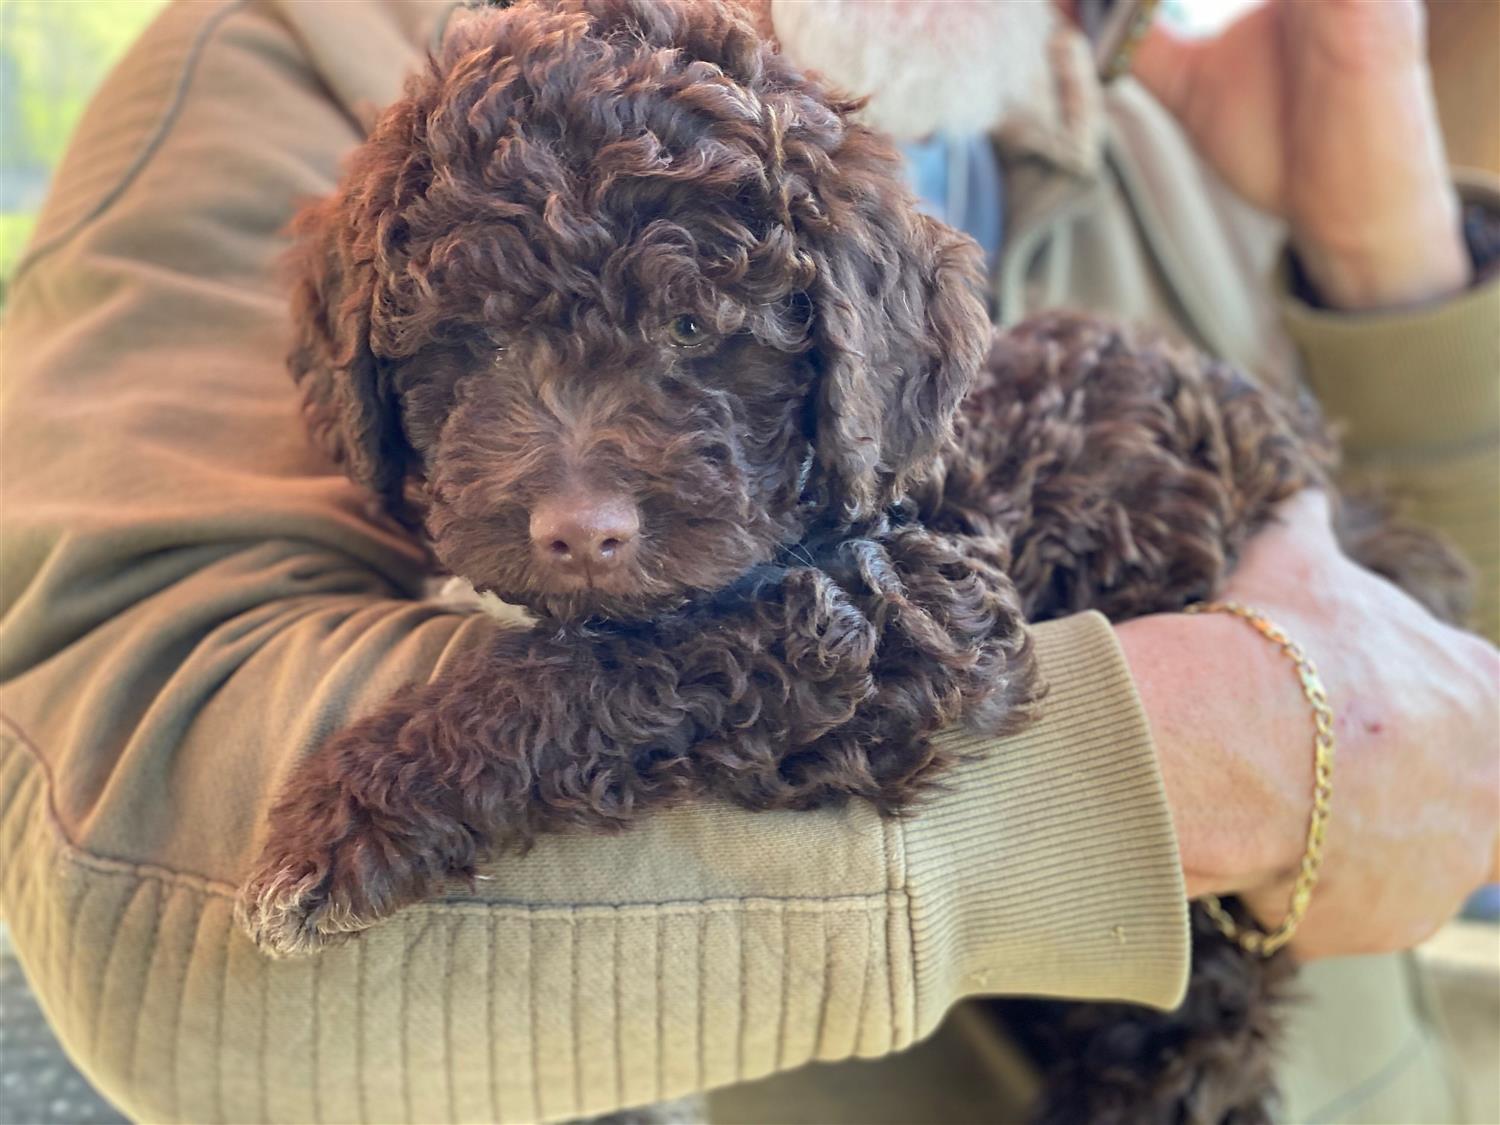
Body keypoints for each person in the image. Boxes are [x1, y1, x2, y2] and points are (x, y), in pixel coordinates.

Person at [0, 0, 1493, 1122]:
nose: (578, 498)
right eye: (484, 353)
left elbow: (1454, 672)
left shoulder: (1162, 129)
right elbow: (138, 883)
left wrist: (1389, 255)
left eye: (694, 340)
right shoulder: (302, 66)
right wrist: (1211, 757)